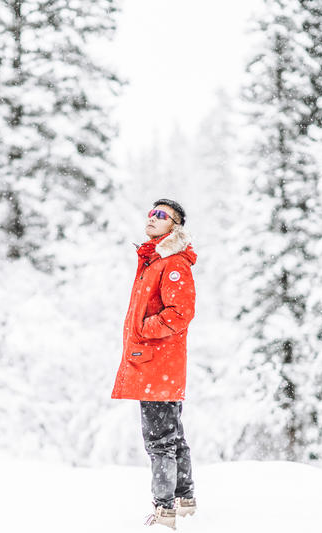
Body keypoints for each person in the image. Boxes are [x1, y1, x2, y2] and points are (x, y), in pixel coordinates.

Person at [111, 199, 198, 530]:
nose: (152, 218)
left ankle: (164, 512)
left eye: (161, 215)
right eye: (151, 213)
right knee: (172, 436)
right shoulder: (155, 260)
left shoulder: (173, 264)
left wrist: (144, 330)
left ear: (175, 226)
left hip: (157, 365)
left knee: (160, 440)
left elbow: (180, 313)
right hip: (158, 365)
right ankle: (184, 500)